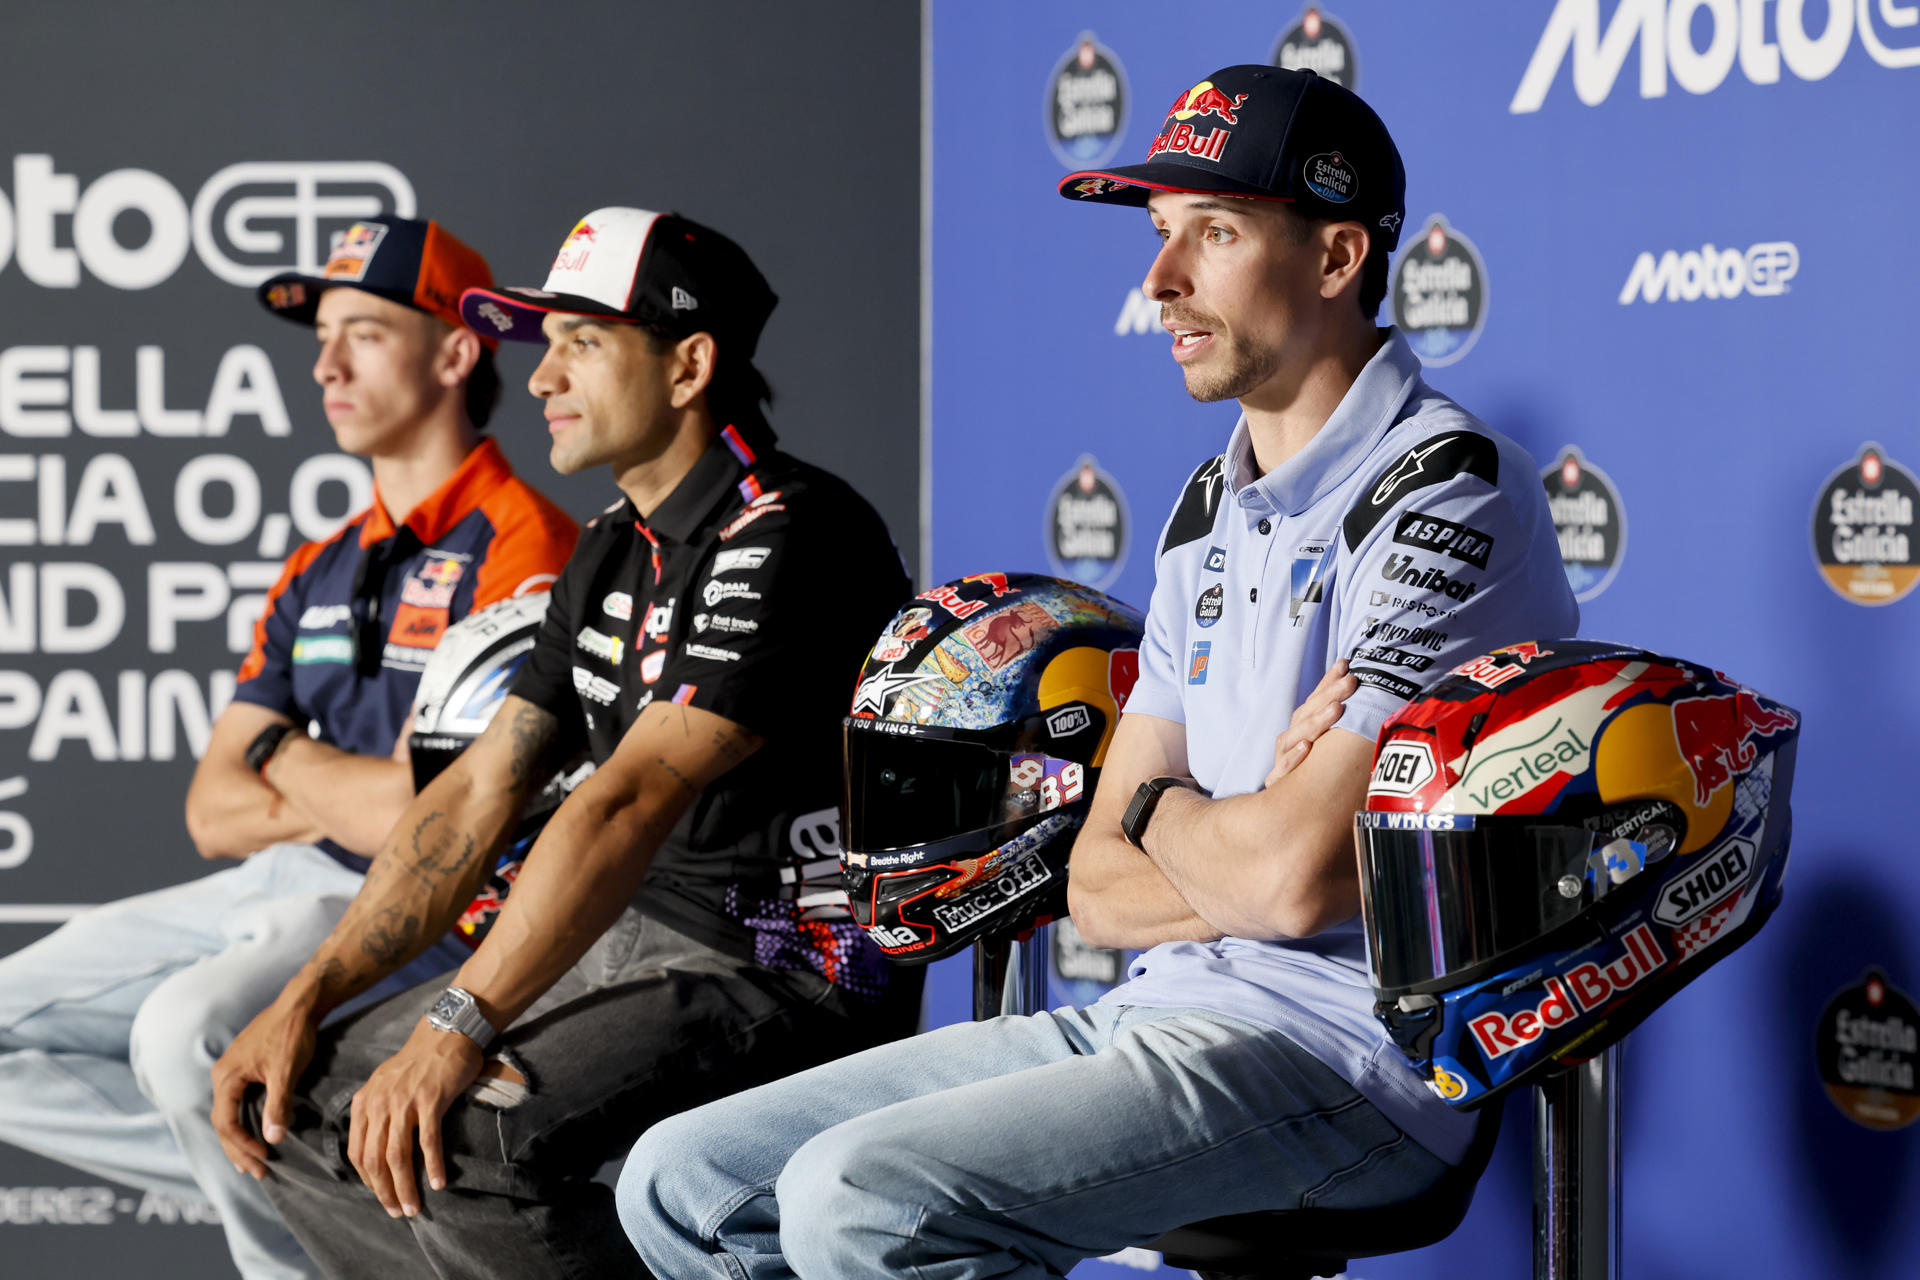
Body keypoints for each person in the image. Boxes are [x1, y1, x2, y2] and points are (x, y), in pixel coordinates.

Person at [618, 64, 1581, 1279]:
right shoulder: (1206, 508)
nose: (1159, 281)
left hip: (1351, 1057)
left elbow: (1283, 885)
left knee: (859, 1204)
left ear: (1339, 258)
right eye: (1159, 234)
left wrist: (1167, 811)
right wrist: (1224, 824)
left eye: (1212, 233)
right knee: (684, 1182)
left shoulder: (1448, 488)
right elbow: (1101, 883)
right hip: (1156, 1010)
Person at [212, 207, 921, 1279]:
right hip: (634, 937)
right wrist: (304, 995)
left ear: (689, 364)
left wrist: (458, 1018)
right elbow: (476, 790)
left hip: (782, 959)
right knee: (301, 1096)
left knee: (466, 1131)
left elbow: (627, 800)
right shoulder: (607, 546)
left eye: (582, 343)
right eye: (545, 346)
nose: (542, 378)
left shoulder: (796, 528)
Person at [0, 215, 579, 1280]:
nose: (326, 363)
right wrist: (330, 780)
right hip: (277, 879)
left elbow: (431, 815)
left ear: (456, 352)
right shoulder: (321, 561)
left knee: (184, 1039)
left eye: (363, 330)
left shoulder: (526, 542)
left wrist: (279, 748)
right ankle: (325, 1188)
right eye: (323, 336)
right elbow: (212, 810)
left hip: (410, 906)